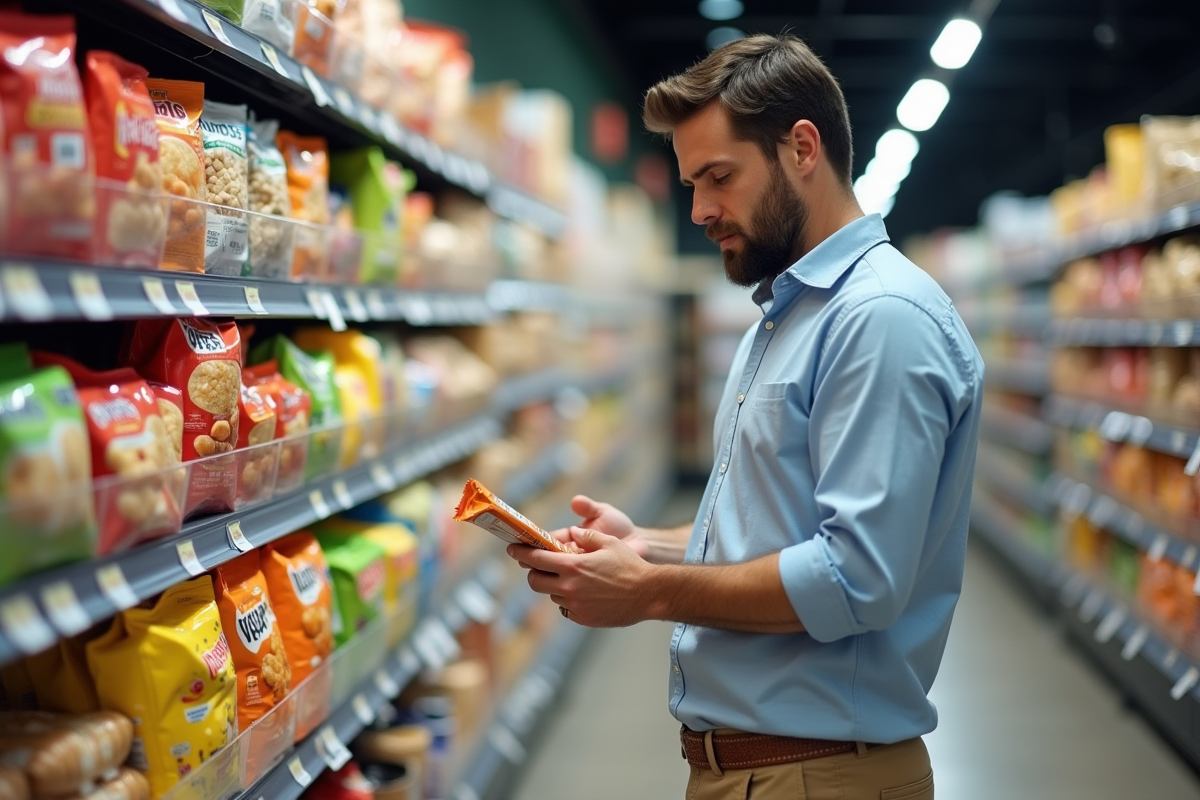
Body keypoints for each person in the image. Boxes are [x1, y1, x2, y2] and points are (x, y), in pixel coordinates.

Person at [505, 33, 982, 800]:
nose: (699, 210)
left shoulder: (879, 318)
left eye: (718, 177)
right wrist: (652, 550)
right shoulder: (788, 316)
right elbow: (781, 531)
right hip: (769, 771)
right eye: (691, 183)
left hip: (819, 775)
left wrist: (650, 593)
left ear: (801, 148)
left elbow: (857, 579)